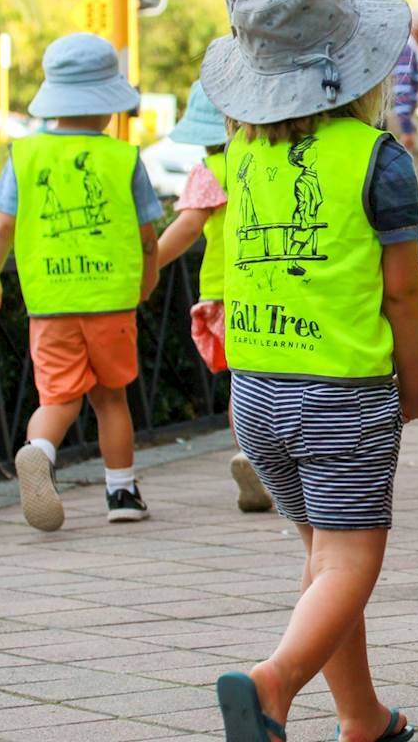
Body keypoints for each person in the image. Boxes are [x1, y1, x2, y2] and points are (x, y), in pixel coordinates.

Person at [203, 0, 418, 742]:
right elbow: (403, 291)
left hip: (258, 390)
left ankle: (362, 717)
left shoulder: (241, 152)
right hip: (340, 390)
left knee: (322, 558)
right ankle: (273, 685)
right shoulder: (377, 160)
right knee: (347, 561)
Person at [0, 33, 161, 532]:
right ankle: (121, 491)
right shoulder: (123, 157)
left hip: (51, 301)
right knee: (111, 399)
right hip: (110, 301)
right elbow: (146, 236)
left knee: (57, 399)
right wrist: (148, 277)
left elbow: (1, 225)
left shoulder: (25, 154)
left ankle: (39, 450)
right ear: (107, 104)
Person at [154, 81, 272, 513]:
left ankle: (249, 453)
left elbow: (186, 228)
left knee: (241, 384)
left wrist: (148, 265)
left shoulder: (209, 171)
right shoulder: (261, 161)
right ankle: (268, 461)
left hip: (222, 295)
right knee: (270, 377)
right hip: (268, 290)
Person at [392, 8, 418, 160]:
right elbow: (401, 88)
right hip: (401, 118)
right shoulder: (407, 48)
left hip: (401, 116)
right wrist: (406, 128)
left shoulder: (405, 46)